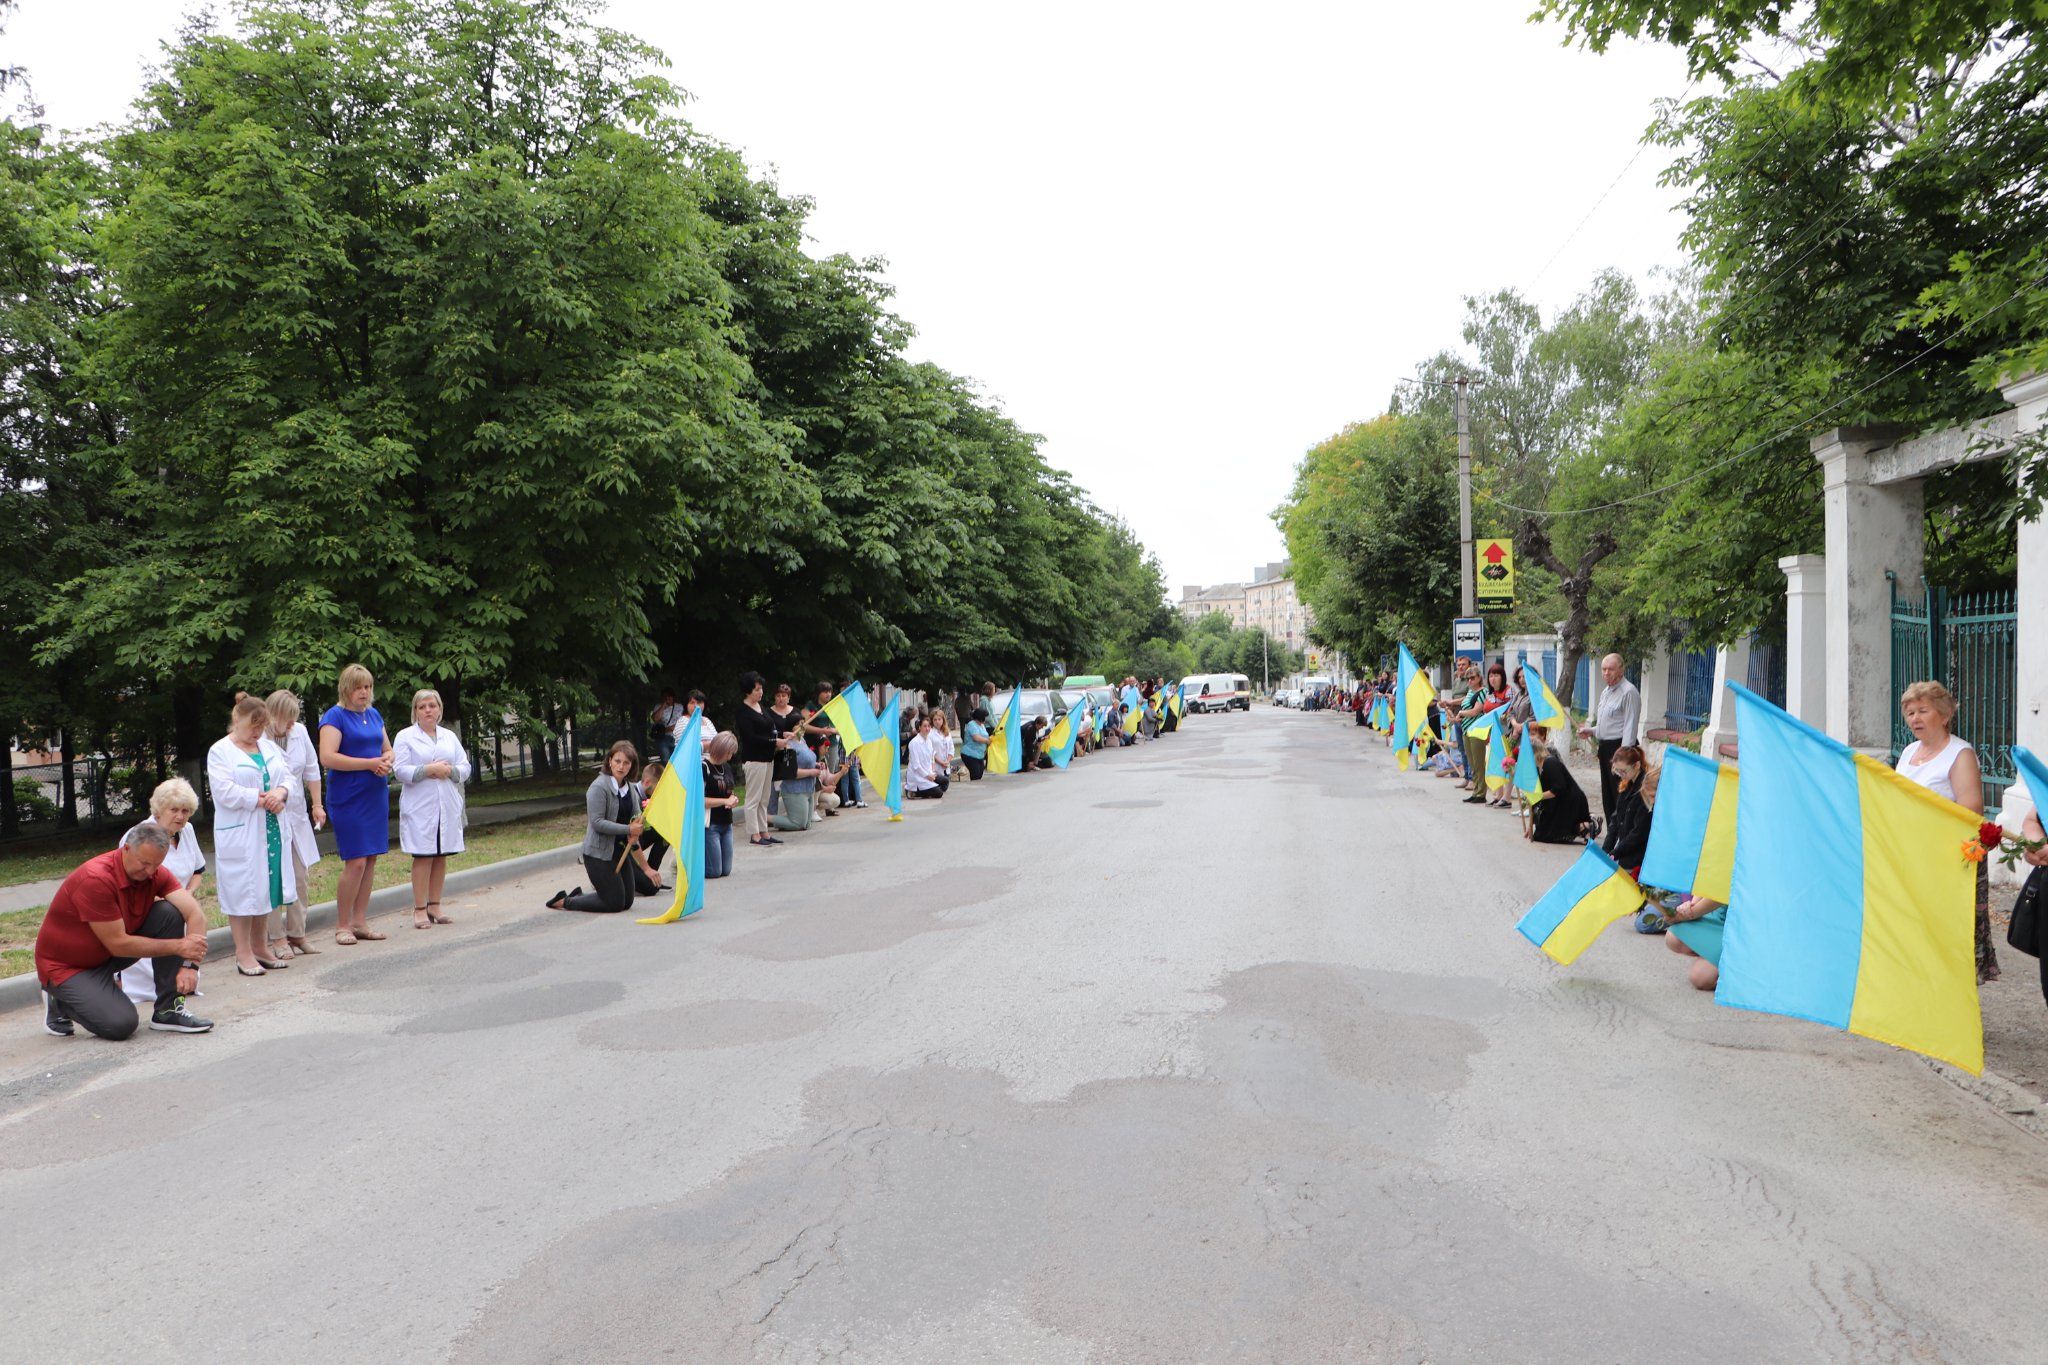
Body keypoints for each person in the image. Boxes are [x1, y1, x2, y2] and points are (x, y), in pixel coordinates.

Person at [36, 823, 213, 1038]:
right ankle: (60, 999)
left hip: (106, 955)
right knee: (121, 1025)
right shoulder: (96, 879)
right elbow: (118, 944)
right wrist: (181, 946)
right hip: (68, 967)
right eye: (144, 863)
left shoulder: (154, 872)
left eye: (156, 865)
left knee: (169, 913)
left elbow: (195, 915)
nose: (150, 872)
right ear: (126, 849)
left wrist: (190, 966)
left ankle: (168, 1009)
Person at [1894, 680, 1998, 982]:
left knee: (1947, 935)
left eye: (1922, 711)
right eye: (1910, 712)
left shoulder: (1959, 753)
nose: (1914, 718)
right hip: (1912, 855)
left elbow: (1971, 810)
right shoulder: (1910, 751)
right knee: (1916, 933)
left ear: (1944, 715)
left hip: (1946, 857)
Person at [209, 695, 297, 975]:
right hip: (243, 832)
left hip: (271, 828)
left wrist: (281, 793)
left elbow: (288, 777)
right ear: (237, 719)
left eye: (262, 726)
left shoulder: (269, 747)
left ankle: (261, 947)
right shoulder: (220, 751)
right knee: (242, 891)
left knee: (266, 889)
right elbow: (223, 791)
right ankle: (243, 953)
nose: (257, 732)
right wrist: (260, 798)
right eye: (252, 725)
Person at [319, 663, 394, 945]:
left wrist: (387, 760)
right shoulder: (334, 716)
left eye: (368, 687)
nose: (364, 692)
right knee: (356, 861)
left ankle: (360, 921)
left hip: (375, 794)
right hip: (348, 797)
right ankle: (342, 925)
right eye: (358, 687)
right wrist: (369, 763)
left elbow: (387, 748)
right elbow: (328, 757)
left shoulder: (373, 714)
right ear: (346, 689)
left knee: (371, 858)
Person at [115, 779, 208, 1006]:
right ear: (159, 810)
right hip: (150, 913)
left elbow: (198, 870)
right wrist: (173, 899)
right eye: (174, 810)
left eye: (185, 811)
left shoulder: (188, 831)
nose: (180, 816)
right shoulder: (138, 836)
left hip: (180, 909)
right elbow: (128, 883)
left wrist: (187, 894)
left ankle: (177, 980)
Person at [393, 688, 471, 931]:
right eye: (422, 706)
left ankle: (435, 905)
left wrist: (449, 772)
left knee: (441, 854)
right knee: (424, 854)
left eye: (432, 706)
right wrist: (428, 770)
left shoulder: (449, 736)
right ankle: (419, 909)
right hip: (420, 805)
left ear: (439, 709)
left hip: (445, 801)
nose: (428, 710)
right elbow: (400, 770)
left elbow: (465, 766)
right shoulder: (405, 736)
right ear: (415, 711)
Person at [548, 741, 655, 914]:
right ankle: (565, 901)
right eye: (617, 761)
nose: (621, 766)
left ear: (632, 766)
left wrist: (640, 827)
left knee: (626, 902)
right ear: (610, 761)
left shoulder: (630, 788)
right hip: (598, 855)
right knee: (614, 903)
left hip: (619, 852)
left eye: (626, 763)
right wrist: (628, 830)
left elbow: (635, 820)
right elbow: (597, 823)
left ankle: (579, 896)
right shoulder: (598, 787)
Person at [263, 690, 324, 959]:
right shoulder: (259, 737)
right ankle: (277, 938)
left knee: (300, 876)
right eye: (286, 719)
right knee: (275, 877)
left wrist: (317, 804)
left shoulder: (299, 731)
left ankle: (297, 932)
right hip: (272, 816)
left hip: (297, 815)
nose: (291, 725)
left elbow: (311, 769)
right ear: (272, 715)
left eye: (293, 719)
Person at [734, 672, 791, 849]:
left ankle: (764, 831)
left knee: (764, 798)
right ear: (748, 691)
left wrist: (782, 736)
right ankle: (754, 833)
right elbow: (750, 737)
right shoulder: (743, 711)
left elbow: (770, 729)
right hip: (754, 759)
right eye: (757, 689)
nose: (761, 692)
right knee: (753, 798)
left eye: (761, 689)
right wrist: (775, 742)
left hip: (767, 758)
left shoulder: (761, 707)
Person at [1582, 653, 1641, 824]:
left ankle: (1623, 836)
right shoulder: (1606, 691)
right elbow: (1608, 724)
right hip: (1606, 749)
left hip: (1621, 750)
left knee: (1621, 795)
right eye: (1604, 669)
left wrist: (1622, 759)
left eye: (1611, 669)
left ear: (1621, 670)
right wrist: (1591, 731)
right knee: (1608, 796)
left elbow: (1629, 727)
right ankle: (1612, 833)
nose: (1606, 673)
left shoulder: (1629, 692)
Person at [1525, 732, 1598, 845]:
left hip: (1569, 801)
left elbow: (1559, 789)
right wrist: (1531, 825)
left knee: (1546, 836)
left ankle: (1587, 824)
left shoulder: (1550, 763)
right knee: (1540, 834)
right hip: (1557, 802)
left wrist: (1538, 796)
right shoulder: (1539, 767)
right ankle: (1582, 826)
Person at [1601, 745, 1651, 875]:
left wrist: (1615, 852)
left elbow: (1639, 832)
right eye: (1617, 771)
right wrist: (1605, 850)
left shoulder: (1645, 789)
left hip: (1637, 858)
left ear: (1636, 766)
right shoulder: (1627, 784)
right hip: (1625, 853)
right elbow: (1615, 821)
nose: (1620, 775)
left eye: (1623, 771)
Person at [703, 733, 741, 880]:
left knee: (726, 870)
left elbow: (729, 791)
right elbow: (700, 800)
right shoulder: (704, 767)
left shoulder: (726, 767)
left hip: (726, 822)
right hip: (711, 824)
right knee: (714, 871)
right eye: (729, 753)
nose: (730, 757)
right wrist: (724, 801)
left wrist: (733, 798)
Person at [906, 716, 944, 800]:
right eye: (924, 726)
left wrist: (932, 772)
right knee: (939, 793)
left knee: (945, 781)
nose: (927, 728)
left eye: (929, 726)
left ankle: (927, 791)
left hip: (928, 772)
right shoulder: (914, 743)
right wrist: (928, 776)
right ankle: (912, 791)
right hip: (918, 776)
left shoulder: (928, 741)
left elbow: (931, 758)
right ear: (919, 727)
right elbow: (916, 766)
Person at [649, 688, 685, 754]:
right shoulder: (658, 706)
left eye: (669, 696)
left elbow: (685, 720)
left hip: (678, 736)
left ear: (673, 697)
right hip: (663, 736)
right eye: (665, 696)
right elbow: (656, 719)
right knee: (665, 759)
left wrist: (675, 727)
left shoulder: (680, 707)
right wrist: (663, 706)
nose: (667, 698)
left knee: (676, 758)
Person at [960, 707, 990, 780]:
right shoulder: (971, 724)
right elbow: (976, 737)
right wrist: (987, 741)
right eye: (985, 717)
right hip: (970, 754)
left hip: (979, 755)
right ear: (981, 717)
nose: (986, 719)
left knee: (979, 774)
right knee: (975, 774)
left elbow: (985, 735)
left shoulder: (982, 725)